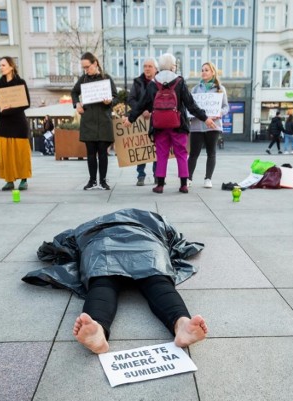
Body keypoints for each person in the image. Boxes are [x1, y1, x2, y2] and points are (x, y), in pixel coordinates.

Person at [22, 208, 208, 354]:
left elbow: (60, 244)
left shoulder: (89, 226)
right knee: (158, 281)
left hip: (102, 245)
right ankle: (181, 323)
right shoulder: (154, 221)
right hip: (146, 244)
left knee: (102, 282)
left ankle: (98, 328)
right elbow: (176, 240)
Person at [124, 53, 217, 194]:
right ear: (173, 66)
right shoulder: (179, 82)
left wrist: (130, 119)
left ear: (160, 67)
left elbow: (142, 104)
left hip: (159, 125)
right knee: (181, 153)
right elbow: (191, 105)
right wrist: (205, 118)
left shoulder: (153, 83)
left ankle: (160, 184)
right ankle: (183, 184)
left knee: (161, 154)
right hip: (178, 124)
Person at [71, 52, 117, 191]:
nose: (86, 70)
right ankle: (92, 180)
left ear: (95, 63)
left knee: (103, 152)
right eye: (84, 68)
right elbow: (74, 92)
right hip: (88, 121)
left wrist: (110, 101)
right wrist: (77, 104)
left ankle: (102, 181)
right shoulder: (83, 79)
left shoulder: (107, 78)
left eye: (88, 66)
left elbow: (115, 97)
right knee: (90, 153)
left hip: (103, 120)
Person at [0, 57, 32, 191]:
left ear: (11, 66)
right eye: (0, 65)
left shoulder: (20, 82)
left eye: (3, 65)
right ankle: (9, 180)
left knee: (21, 153)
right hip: (3, 123)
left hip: (18, 122)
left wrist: (8, 111)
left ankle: (23, 179)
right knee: (6, 153)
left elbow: (26, 103)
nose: (1, 67)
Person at [188, 62, 229, 189]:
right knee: (194, 153)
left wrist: (218, 114)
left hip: (213, 125)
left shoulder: (220, 89)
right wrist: (191, 115)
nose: (203, 72)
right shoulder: (195, 89)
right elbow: (189, 107)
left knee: (211, 153)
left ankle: (208, 179)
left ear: (212, 72)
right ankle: (188, 178)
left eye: (206, 70)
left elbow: (226, 107)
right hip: (197, 126)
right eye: (202, 70)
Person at [128, 58, 158, 186]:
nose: (147, 68)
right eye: (145, 66)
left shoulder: (160, 82)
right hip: (141, 119)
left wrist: (151, 111)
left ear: (156, 69)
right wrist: (142, 111)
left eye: (150, 66)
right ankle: (141, 175)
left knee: (157, 148)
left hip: (156, 118)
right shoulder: (137, 82)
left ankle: (158, 175)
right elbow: (131, 99)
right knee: (142, 148)